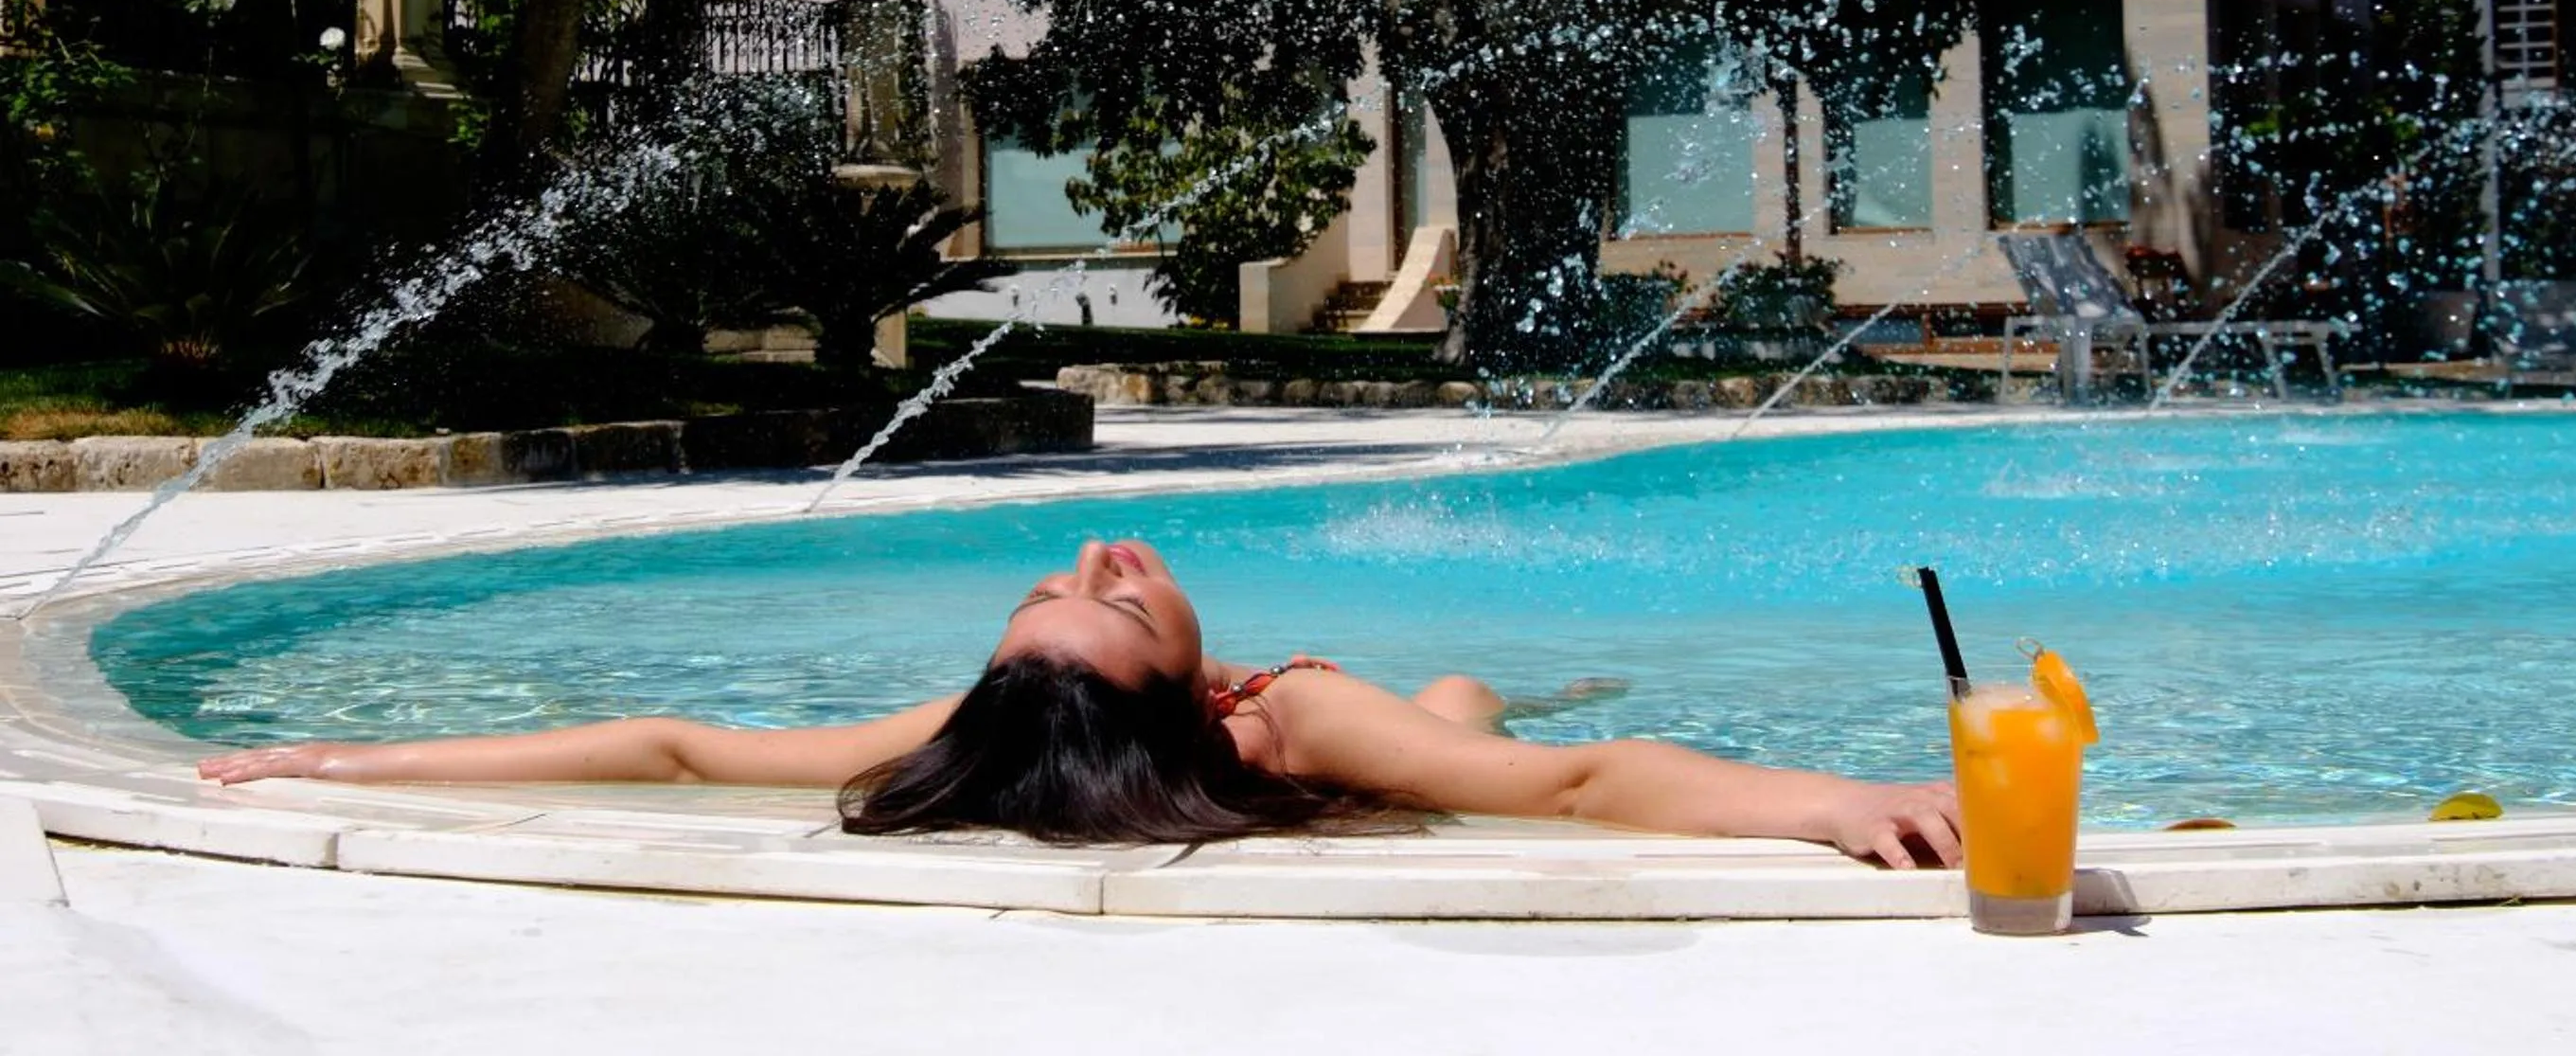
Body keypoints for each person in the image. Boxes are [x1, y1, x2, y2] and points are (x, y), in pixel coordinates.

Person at [199, 537, 1963, 867]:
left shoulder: (992, 729)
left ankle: (1495, 695)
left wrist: (340, 747)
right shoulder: (1292, 720)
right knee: (1474, 718)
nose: (1107, 561)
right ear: (1193, 699)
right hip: (1390, 732)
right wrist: (1824, 798)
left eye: (1065, 585)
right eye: (1115, 602)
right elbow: (1584, 794)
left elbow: (672, 748)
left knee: (1472, 703)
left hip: (1351, 725)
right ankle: (1499, 692)